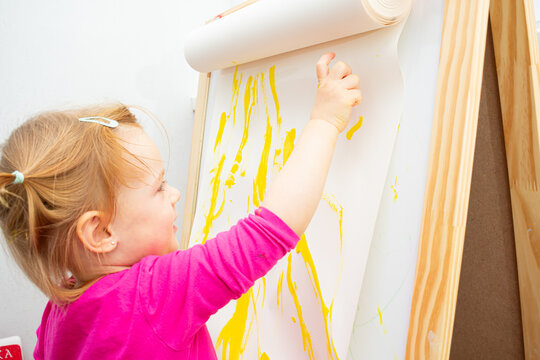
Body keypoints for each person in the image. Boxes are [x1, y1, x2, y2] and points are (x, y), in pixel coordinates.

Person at [0, 53, 361, 359]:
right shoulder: (151, 296)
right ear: (101, 231)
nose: (174, 194)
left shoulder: (58, 313)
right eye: (158, 188)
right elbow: (268, 231)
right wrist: (325, 120)